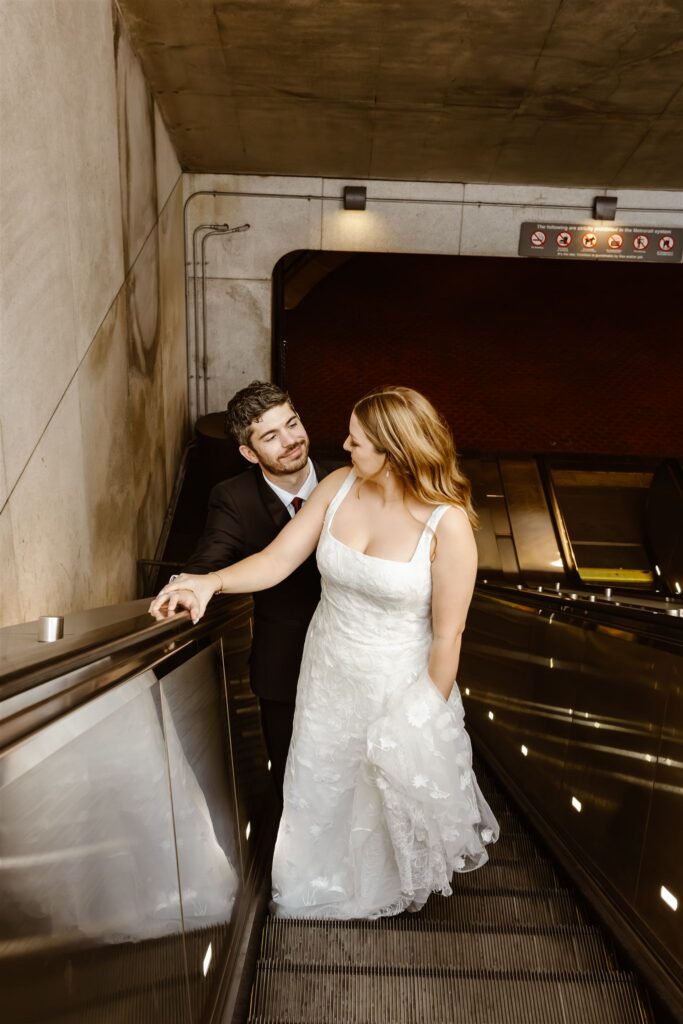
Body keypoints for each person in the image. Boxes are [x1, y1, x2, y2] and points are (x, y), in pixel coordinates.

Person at [151, 386, 499, 919]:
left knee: (379, 792)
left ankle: (382, 882)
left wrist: (423, 719)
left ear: (393, 452)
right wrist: (208, 583)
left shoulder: (446, 524)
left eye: (357, 441)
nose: (343, 445)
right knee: (323, 783)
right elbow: (276, 560)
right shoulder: (338, 485)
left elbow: (448, 636)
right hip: (327, 673)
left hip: (396, 683)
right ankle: (314, 877)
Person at [176, 380, 331, 800]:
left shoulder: (345, 475)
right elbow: (209, 559)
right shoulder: (233, 497)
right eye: (271, 436)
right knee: (293, 781)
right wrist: (189, 585)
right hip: (284, 667)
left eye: (292, 424)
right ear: (249, 452)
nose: (291, 441)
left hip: (354, 661)